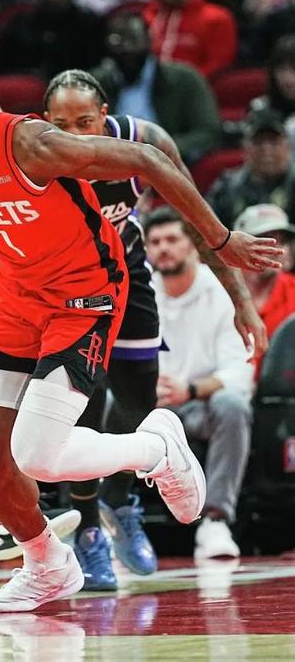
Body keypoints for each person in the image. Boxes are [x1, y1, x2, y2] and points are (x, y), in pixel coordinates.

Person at [0, 27, 281, 613]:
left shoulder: (29, 144)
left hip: (87, 288)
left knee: (38, 456)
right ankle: (47, 564)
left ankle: (154, 449)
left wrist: (221, 240)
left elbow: (148, 159)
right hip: (20, 295)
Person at [39, 69, 265, 588]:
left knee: (140, 402)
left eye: (84, 122)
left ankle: (118, 502)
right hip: (64, 285)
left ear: (105, 116)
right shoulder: (33, 155)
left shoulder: (146, 142)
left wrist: (240, 302)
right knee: (83, 408)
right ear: (44, 121)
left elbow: (199, 222)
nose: (74, 135)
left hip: (126, 274)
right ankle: (89, 532)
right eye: (60, 124)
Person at [145, 207, 255, 558]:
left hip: (199, 406)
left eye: (172, 239)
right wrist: (143, 390)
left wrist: (190, 390)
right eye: (155, 242)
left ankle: (215, 521)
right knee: (105, 401)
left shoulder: (222, 291)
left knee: (232, 405)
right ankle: (109, 520)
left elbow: (240, 374)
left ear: (193, 244)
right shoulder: (140, 291)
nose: (163, 248)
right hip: (148, 407)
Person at [90, 11, 222, 164]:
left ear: (149, 39)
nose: (126, 48)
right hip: (109, 165)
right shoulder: (94, 84)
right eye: (117, 41)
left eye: (133, 39)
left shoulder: (184, 79)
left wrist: (162, 149)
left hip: (167, 165)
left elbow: (208, 132)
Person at [234, 204, 295, 378]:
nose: (278, 250)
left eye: (282, 241)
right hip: (221, 386)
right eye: (266, 241)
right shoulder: (216, 289)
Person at [207, 108, 295, 229]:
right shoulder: (227, 186)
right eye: (258, 142)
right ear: (245, 148)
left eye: (273, 142)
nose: (266, 149)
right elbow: (208, 226)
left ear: (288, 147)